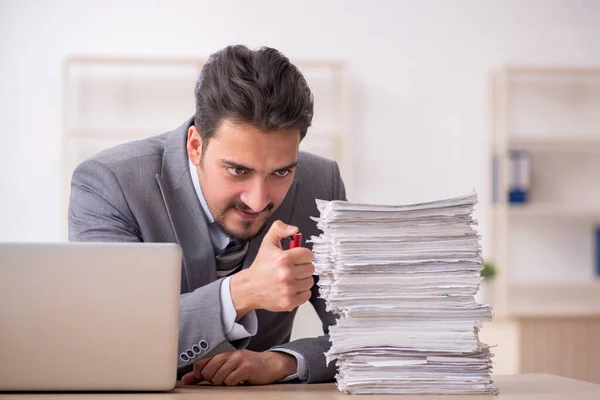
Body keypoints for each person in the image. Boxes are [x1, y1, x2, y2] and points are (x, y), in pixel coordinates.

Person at [68, 45, 347, 386]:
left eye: (280, 172)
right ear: (196, 146)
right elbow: (108, 338)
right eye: (237, 170)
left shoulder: (321, 183)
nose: (258, 201)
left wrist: (282, 361)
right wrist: (239, 293)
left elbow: (365, 333)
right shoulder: (109, 183)